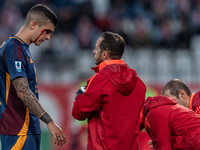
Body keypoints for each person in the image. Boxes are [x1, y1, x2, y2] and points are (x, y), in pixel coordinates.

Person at [0, 4, 66, 149]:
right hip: (18, 131)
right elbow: (23, 91)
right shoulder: (13, 48)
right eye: (47, 32)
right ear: (34, 24)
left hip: (27, 129)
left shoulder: (23, 49)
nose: (48, 37)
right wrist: (49, 121)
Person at [72, 31, 146, 150]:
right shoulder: (139, 84)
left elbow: (78, 113)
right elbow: (140, 122)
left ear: (104, 54)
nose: (93, 51)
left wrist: (80, 95)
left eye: (96, 48)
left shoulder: (99, 81)